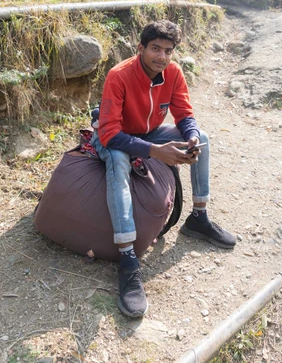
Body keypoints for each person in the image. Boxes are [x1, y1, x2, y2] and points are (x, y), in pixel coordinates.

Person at [91, 20, 236, 318]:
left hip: (149, 133)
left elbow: (184, 114)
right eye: (155, 49)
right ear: (140, 48)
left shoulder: (173, 73)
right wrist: (156, 152)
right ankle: (128, 257)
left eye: (168, 51)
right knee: (118, 161)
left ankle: (199, 217)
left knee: (204, 139)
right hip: (116, 136)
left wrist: (192, 135)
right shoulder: (119, 76)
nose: (162, 56)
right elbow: (108, 133)